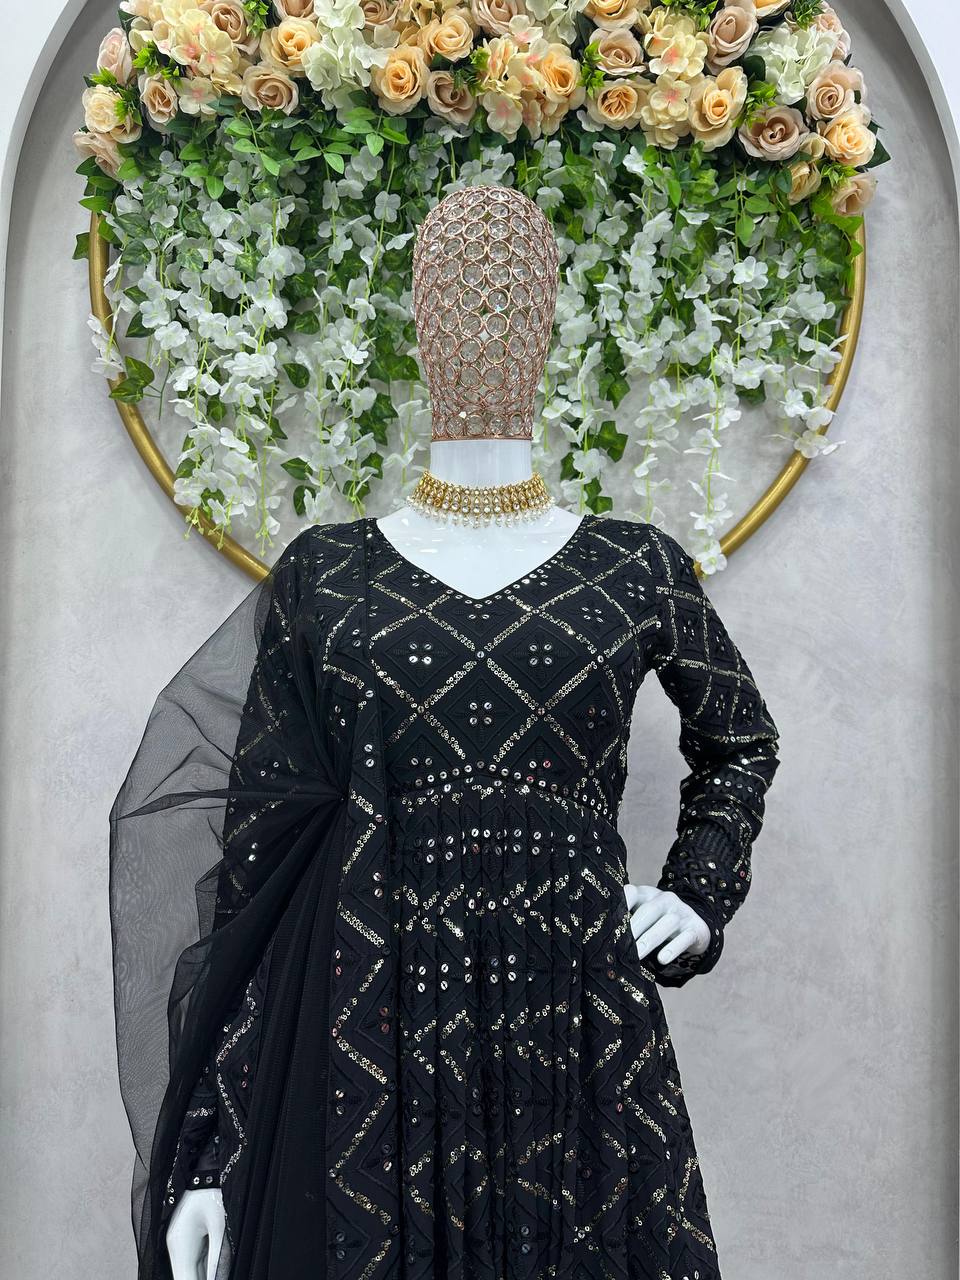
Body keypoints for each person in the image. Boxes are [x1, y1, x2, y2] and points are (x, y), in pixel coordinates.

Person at [110, 184, 781, 1280]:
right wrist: (213, 1157)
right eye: (456, 296)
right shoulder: (327, 576)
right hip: (371, 1038)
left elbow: (739, 739)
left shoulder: (635, 567)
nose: (484, 325)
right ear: (418, 324)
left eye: (511, 298)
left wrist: (697, 895)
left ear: (549, 323)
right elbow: (259, 880)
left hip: (578, 1025)